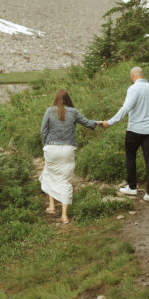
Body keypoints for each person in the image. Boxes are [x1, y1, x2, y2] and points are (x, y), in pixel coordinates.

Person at [39, 88, 100, 224]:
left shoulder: (49, 111)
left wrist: (45, 146)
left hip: (51, 148)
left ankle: (52, 206)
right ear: (68, 99)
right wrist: (99, 123)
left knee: (49, 174)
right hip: (68, 149)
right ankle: (64, 216)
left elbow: (43, 130)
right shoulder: (73, 112)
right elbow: (87, 123)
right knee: (65, 181)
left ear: (55, 98)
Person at [102, 66, 149, 202]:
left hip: (134, 129)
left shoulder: (133, 89)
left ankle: (132, 187)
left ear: (132, 76)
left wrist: (110, 122)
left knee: (130, 156)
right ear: (142, 75)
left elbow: (126, 108)